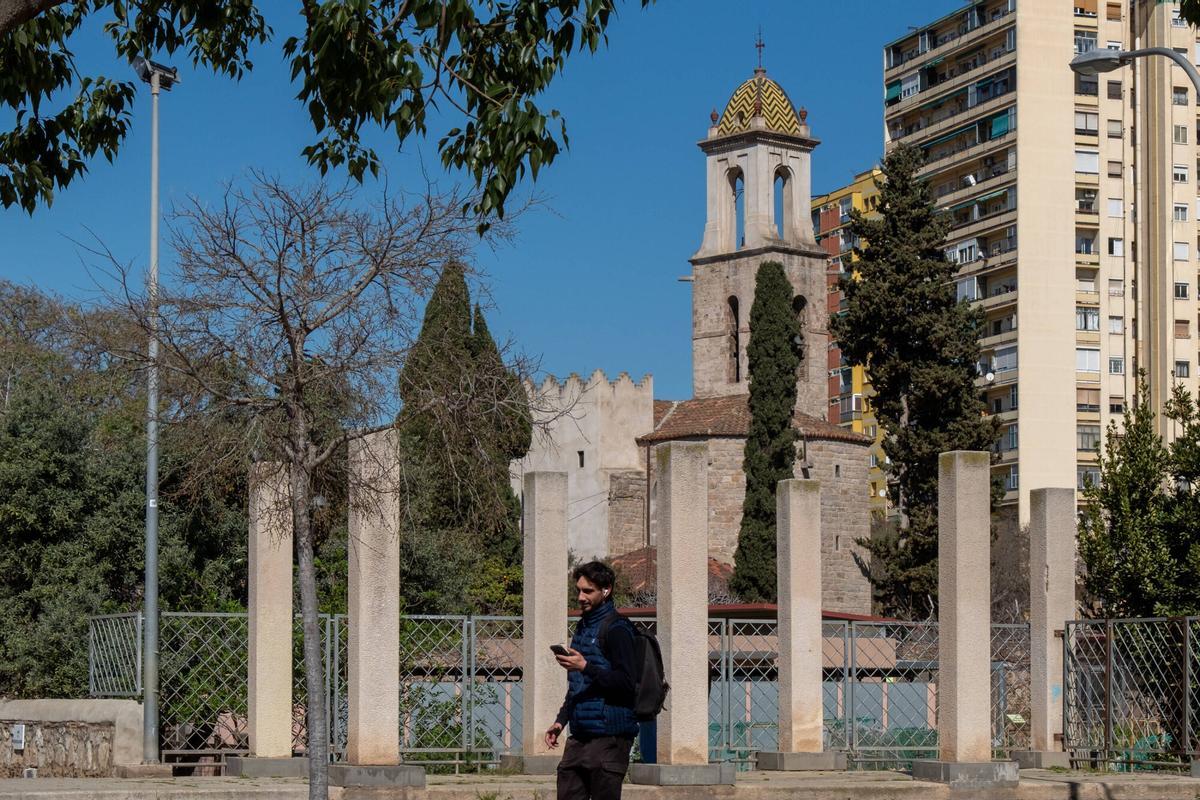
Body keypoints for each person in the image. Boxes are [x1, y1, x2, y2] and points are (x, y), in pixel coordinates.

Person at [544, 561, 638, 800]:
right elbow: (578, 685)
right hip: (580, 737)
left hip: (610, 737)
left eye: (588, 591)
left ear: (606, 590)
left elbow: (626, 682)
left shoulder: (618, 629)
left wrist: (586, 666)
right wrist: (560, 721)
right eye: (578, 590)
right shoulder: (583, 627)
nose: (580, 597)